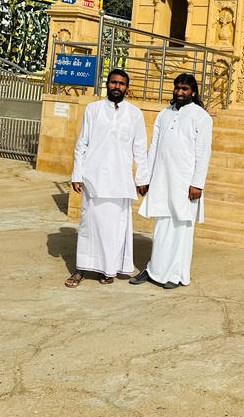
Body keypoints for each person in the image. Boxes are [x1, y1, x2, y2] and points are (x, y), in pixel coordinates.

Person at [65, 68, 149, 288]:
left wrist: (142, 179)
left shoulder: (134, 114)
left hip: (120, 181)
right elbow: (81, 144)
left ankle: (108, 269)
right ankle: (81, 269)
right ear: (107, 84)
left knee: (114, 229)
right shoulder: (93, 110)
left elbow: (140, 149)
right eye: (113, 82)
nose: (116, 87)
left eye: (121, 84)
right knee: (88, 226)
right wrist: (77, 174)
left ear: (126, 88)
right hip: (94, 179)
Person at [131, 73, 213, 290]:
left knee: (181, 229)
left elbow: (203, 153)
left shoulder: (201, 117)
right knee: (161, 227)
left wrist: (197, 183)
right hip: (162, 180)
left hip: (185, 184)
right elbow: (154, 147)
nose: (179, 92)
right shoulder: (164, 114)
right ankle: (153, 269)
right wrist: (146, 177)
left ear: (193, 92)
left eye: (184, 89)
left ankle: (175, 275)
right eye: (177, 88)